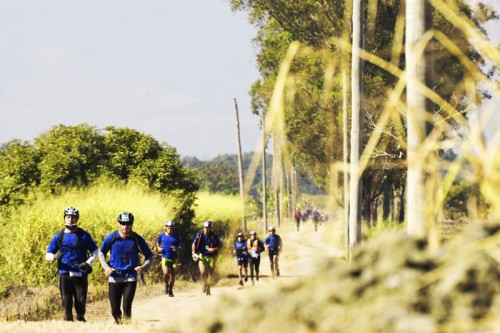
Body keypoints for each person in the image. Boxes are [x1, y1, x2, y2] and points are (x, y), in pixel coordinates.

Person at [98, 211, 153, 324]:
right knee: (115, 310)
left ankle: (126, 328)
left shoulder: (137, 239)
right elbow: (101, 253)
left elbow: (149, 256)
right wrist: (106, 267)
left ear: (132, 224)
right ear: (119, 224)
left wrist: (143, 267)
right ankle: (119, 323)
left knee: (126, 307)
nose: (125, 226)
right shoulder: (112, 237)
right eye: (123, 224)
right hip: (114, 276)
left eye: (128, 224)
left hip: (130, 277)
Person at [46, 207, 98, 322]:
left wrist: (87, 263)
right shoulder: (58, 236)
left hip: (80, 275)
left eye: (73, 217)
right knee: (66, 306)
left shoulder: (84, 235)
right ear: (64, 219)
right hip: (65, 275)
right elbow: (48, 254)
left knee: (80, 307)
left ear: (77, 219)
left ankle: (80, 320)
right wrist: (54, 257)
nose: (70, 220)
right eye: (68, 217)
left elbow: (95, 252)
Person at [191, 220, 221, 296]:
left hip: (211, 257)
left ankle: (208, 289)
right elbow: (194, 243)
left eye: (208, 228)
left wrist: (213, 249)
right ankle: (204, 283)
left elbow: (219, 246)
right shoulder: (199, 234)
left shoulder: (214, 236)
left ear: (210, 228)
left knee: (210, 275)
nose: (206, 229)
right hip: (202, 255)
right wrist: (193, 252)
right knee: (203, 272)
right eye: (205, 227)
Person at [156, 220, 181, 297]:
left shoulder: (176, 236)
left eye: (171, 228)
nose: (169, 229)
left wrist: (176, 248)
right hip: (165, 258)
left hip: (174, 259)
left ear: (173, 228)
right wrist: (159, 248)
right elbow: (158, 242)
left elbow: (180, 247)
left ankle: (170, 289)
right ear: (166, 228)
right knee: (166, 273)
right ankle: (166, 284)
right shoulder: (162, 235)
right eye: (168, 228)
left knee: (173, 275)